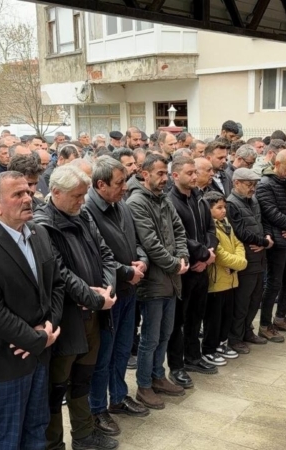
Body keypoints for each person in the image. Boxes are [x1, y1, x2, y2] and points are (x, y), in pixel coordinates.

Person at [0, 171, 64, 450]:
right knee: (7, 438)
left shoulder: (38, 233)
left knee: (37, 429)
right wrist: (36, 339)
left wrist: (49, 328)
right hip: (5, 362)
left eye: (28, 192)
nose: (28, 198)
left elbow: (55, 284)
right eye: (18, 194)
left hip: (40, 354)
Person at [32, 165, 119, 450]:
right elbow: (60, 273)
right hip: (67, 319)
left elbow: (106, 253)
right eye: (77, 196)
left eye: (84, 195)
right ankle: (54, 443)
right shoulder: (43, 225)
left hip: (93, 314)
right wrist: (95, 298)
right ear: (55, 192)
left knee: (83, 379)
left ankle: (84, 436)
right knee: (57, 388)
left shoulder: (81, 215)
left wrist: (106, 290)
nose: (82, 201)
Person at [85, 157, 151, 435]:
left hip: (129, 290)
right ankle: (97, 409)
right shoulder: (87, 210)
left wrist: (142, 261)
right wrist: (127, 272)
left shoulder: (121, 205)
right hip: (110, 295)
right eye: (120, 182)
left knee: (123, 349)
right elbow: (98, 256)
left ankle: (119, 396)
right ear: (101, 184)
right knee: (104, 355)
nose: (126, 187)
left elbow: (135, 241)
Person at [126, 153, 189, 410]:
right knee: (150, 338)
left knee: (165, 333)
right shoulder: (136, 202)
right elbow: (150, 243)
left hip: (171, 280)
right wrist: (175, 263)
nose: (164, 179)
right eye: (159, 174)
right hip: (152, 283)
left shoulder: (164, 199)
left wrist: (183, 255)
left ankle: (158, 376)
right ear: (145, 173)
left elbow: (179, 230)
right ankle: (143, 385)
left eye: (166, 173)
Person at [167, 156, 219, 380]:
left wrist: (209, 254)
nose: (195, 177)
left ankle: (193, 357)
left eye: (195, 172)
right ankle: (177, 366)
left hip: (203, 265)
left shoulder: (199, 198)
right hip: (185, 269)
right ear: (176, 175)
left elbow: (210, 228)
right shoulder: (171, 201)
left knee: (196, 315)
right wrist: (203, 254)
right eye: (190, 173)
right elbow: (180, 237)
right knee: (178, 320)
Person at [256, 150, 286, 343]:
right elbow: (271, 213)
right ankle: (265, 324)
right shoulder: (265, 185)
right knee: (274, 283)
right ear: (277, 164)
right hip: (278, 241)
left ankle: (280, 318)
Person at [225, 168, 273, 351]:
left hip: (260, 257)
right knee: (242, 301)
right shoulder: (231, 204)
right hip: (246, 259)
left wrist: (267, 239)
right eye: (248, 184)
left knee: (255, 299)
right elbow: (240, 232)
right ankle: (235, 338)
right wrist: (263, 242)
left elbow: (263, 222)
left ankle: (247, 331)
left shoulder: (253, 200)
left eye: (254, 185)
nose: (252, 188)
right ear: (236, 183)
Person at [203, 191, 246, 364]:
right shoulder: (211, 226)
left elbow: (238, 243)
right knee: (214, 317)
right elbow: (218, 254)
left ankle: (222, 343)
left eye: (224, 207)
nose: (223, 211)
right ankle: (209, 348)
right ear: (209, 209)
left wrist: (239, 261)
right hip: (217, 280)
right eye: (219, 208)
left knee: (227, 315)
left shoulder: (226, 223)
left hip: (230, 278)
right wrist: (240, 263)